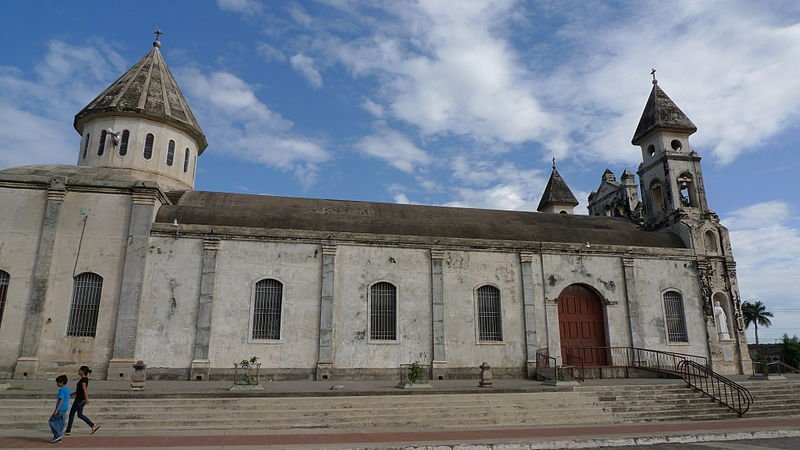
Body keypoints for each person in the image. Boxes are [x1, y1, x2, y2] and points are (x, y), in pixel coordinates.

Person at [65, 366, 100, 436]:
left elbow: (84, 389)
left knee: (72, 414)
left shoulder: (84, 380)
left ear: (82, 371)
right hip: (80, 398)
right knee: (80, 414)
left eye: (79, 370)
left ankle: (68, 430)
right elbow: (80, 390)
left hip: (79, 400)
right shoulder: (84, 379)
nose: (78, 371)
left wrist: (86, 399)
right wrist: (72, 394)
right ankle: (92, 425)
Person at [49, 375, 70, 443]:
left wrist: (56, 409)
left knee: (51, 421)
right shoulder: (67, 388)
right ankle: (57, 438)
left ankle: (58, 435)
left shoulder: (61, 390)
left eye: (58, 382)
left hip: (60, 408)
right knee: (60, 422)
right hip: (65, 408)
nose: (57, 384)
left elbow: (61, 399)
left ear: (62, 382)